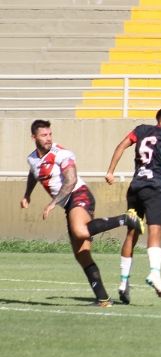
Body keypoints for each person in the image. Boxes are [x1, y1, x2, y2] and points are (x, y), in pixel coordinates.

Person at [21, 119, 144, 307]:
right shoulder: (32, 158)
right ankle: (103, 299)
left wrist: (53, 203)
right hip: (68, 204)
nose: (48, 138)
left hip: (79, 195)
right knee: (81, 254)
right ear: (34, 137)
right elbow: (34, 172)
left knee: (80, 231)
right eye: (43, 135)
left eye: (50, 134)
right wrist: (27, 195)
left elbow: (70, 180)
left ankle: (126, 218)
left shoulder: (62, 154)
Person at [104, 107, 161, 303]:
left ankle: (123, 282)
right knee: (155, 231)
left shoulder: (141, 130)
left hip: (135, 188)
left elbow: (121, 146)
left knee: (132, 233)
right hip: (153, 189)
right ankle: (154, 273)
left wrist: (110, 171)